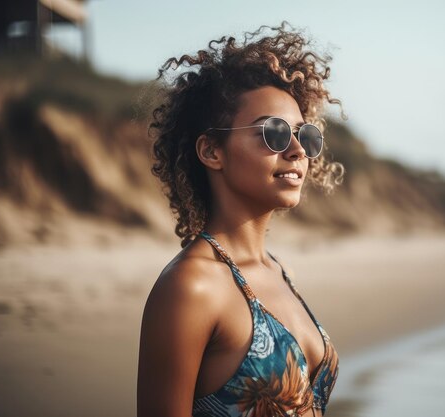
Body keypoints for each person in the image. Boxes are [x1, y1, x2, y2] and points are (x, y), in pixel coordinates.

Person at [137, 22, 345, 417]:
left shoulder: (280, 272)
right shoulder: (191, 286)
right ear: (212, 151)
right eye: (275, 133)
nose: (298, 150)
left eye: (306, 134)